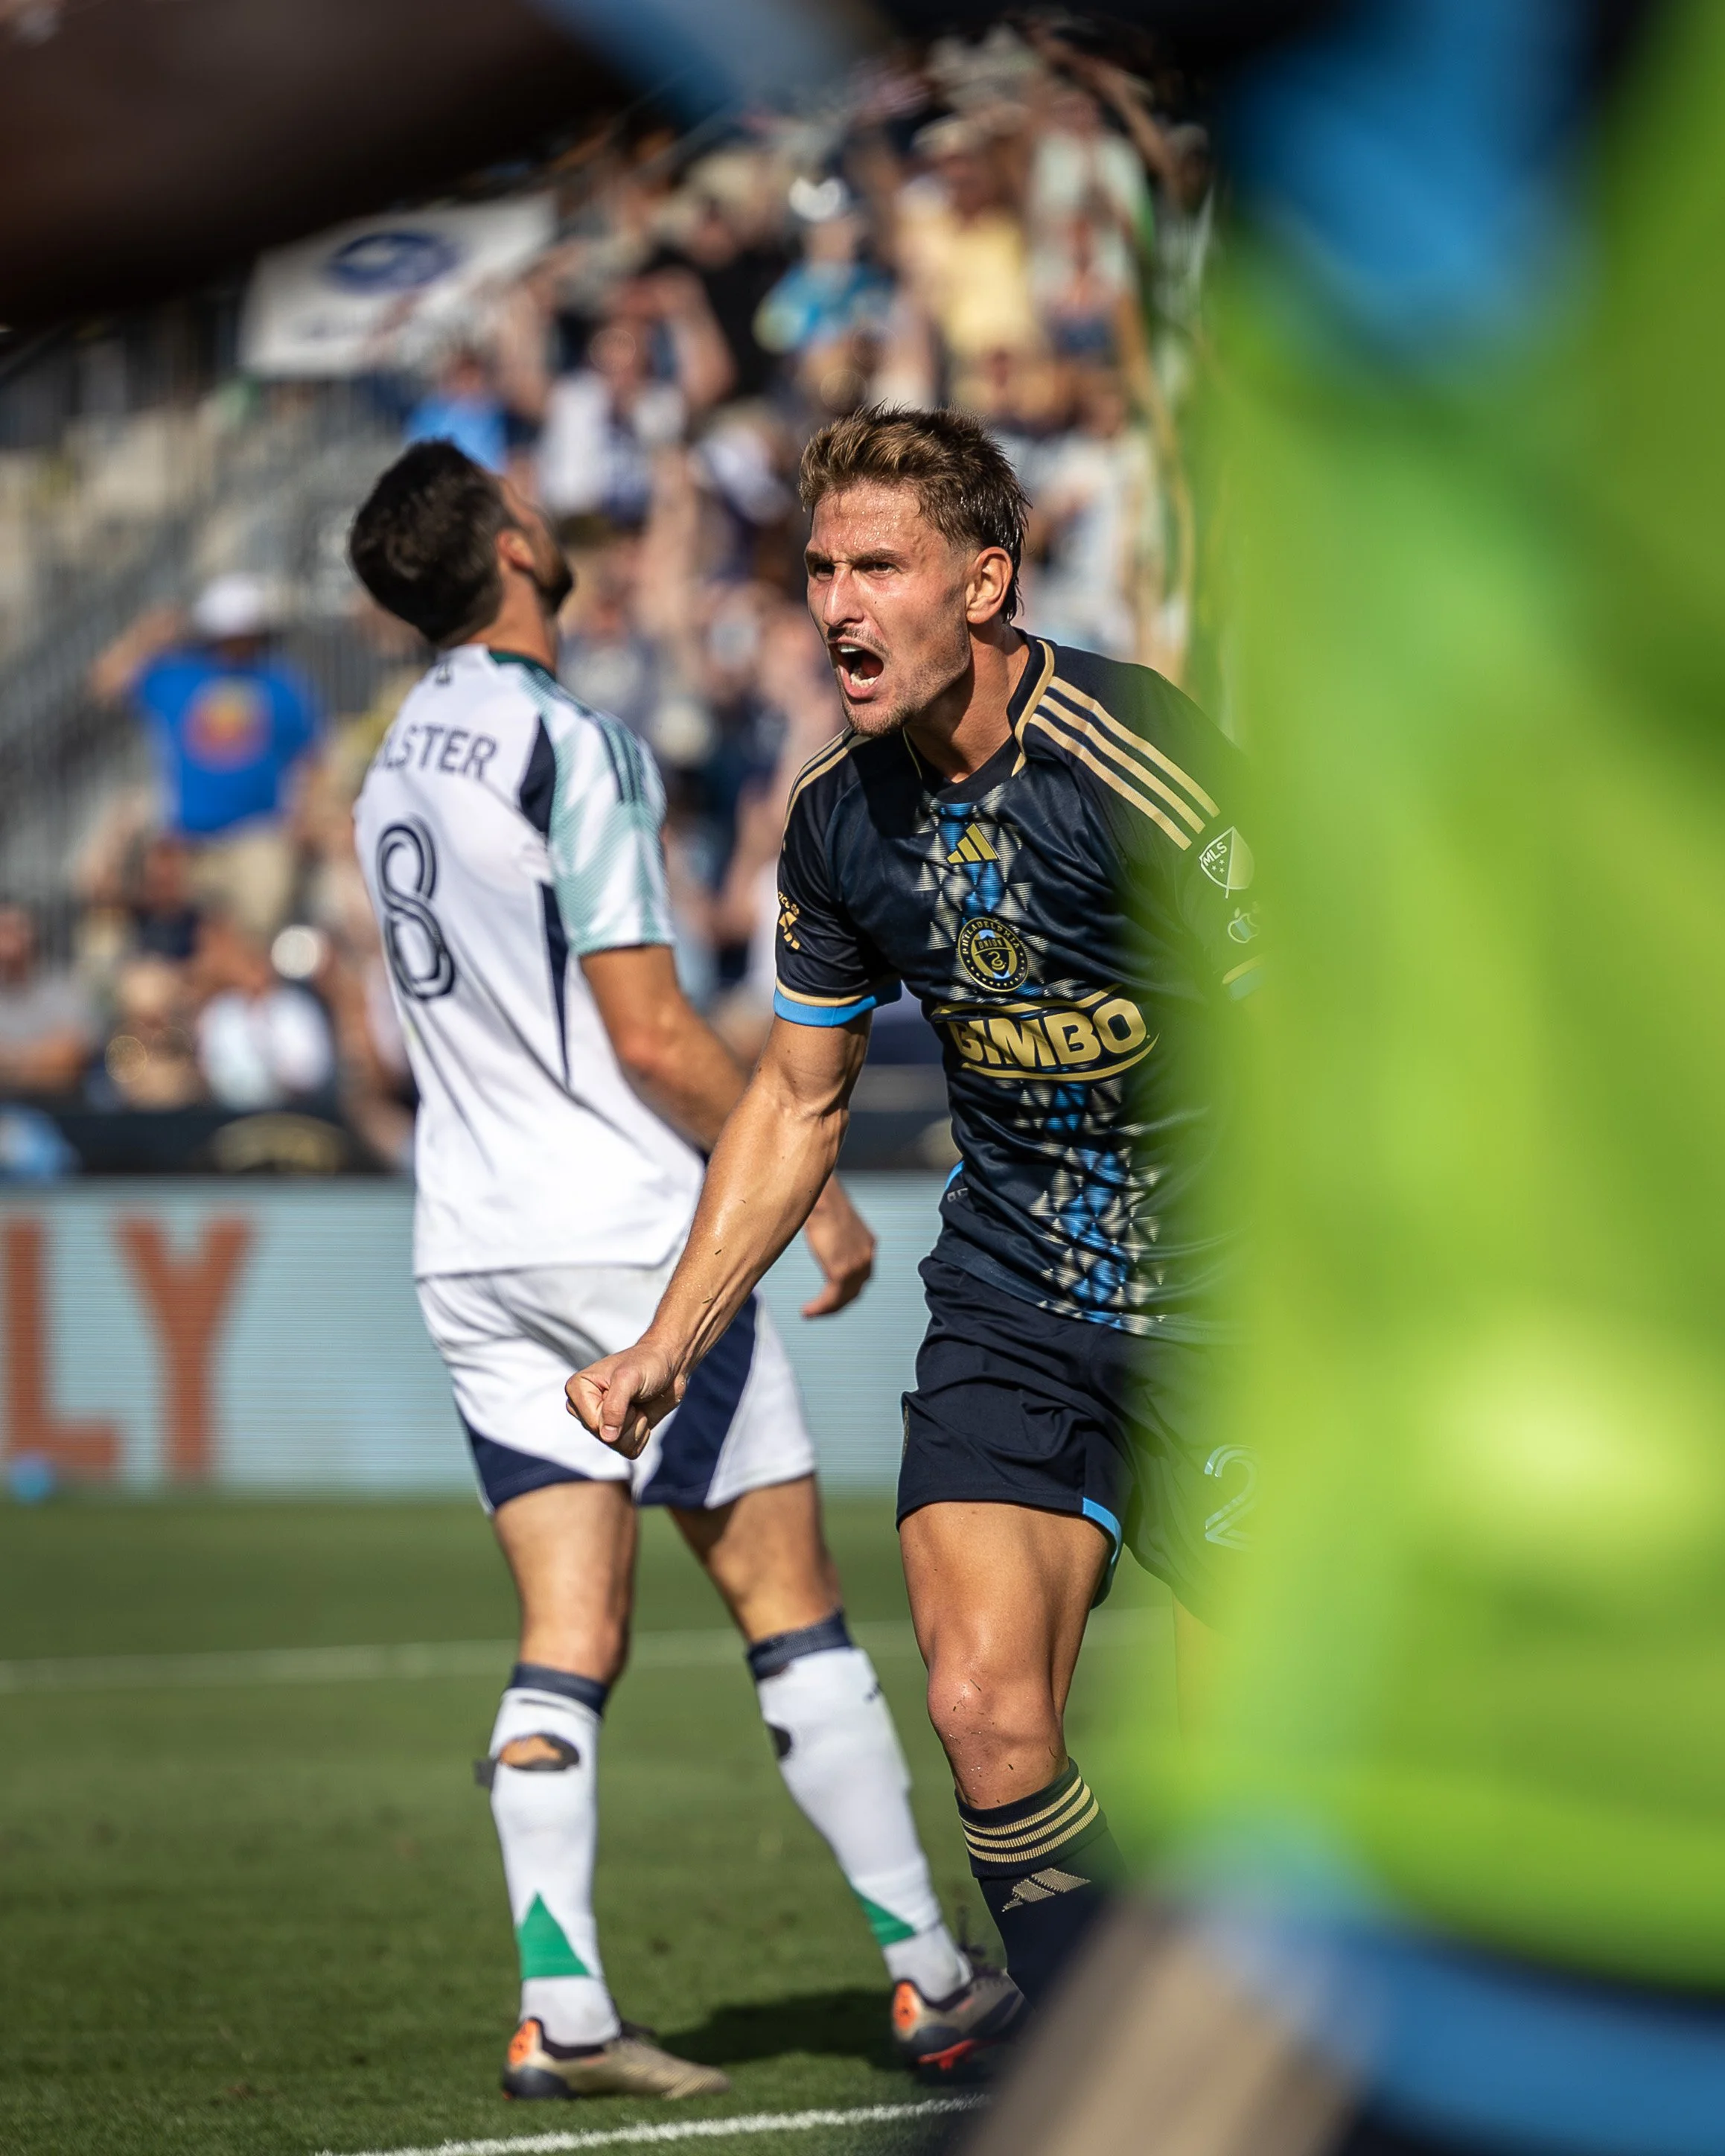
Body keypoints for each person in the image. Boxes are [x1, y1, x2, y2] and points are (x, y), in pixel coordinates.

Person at [567, 406, 1259, 2019]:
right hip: (1016, 1304)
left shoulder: (1138, 761)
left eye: (880, 564)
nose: (836, 603)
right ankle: (1093, 2055)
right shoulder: (835, 818)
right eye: (820, 567)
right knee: (981, 1709)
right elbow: (796, 1100)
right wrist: (671, 1334)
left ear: (988, 581)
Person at [345, 441, 1013, 2102]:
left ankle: (560, 2001)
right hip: (626, 1224)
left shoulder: (385, 765)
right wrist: (817, 1199)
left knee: (566, 1628)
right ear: (511, 544)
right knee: (791, 1611)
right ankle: (934, 1981)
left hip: (471, 1237)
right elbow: (648, 1029)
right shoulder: (569, 740)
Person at [89, 574, 322, 939]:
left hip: (258, 833)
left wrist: (305, 819)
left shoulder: (280, 683)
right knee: (187, 941)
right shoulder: (176, 677)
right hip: (188, 839)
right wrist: (145, 636)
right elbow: (106, 683)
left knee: (257, 937)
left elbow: (311, 757)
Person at [0, 903, 97, 1098]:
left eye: (13, 930)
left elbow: (67, 1063)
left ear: (33, 935)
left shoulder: (66, 989)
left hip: (58, 1110)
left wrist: (9, 1063)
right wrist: (40, 1060)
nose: (7, 940)